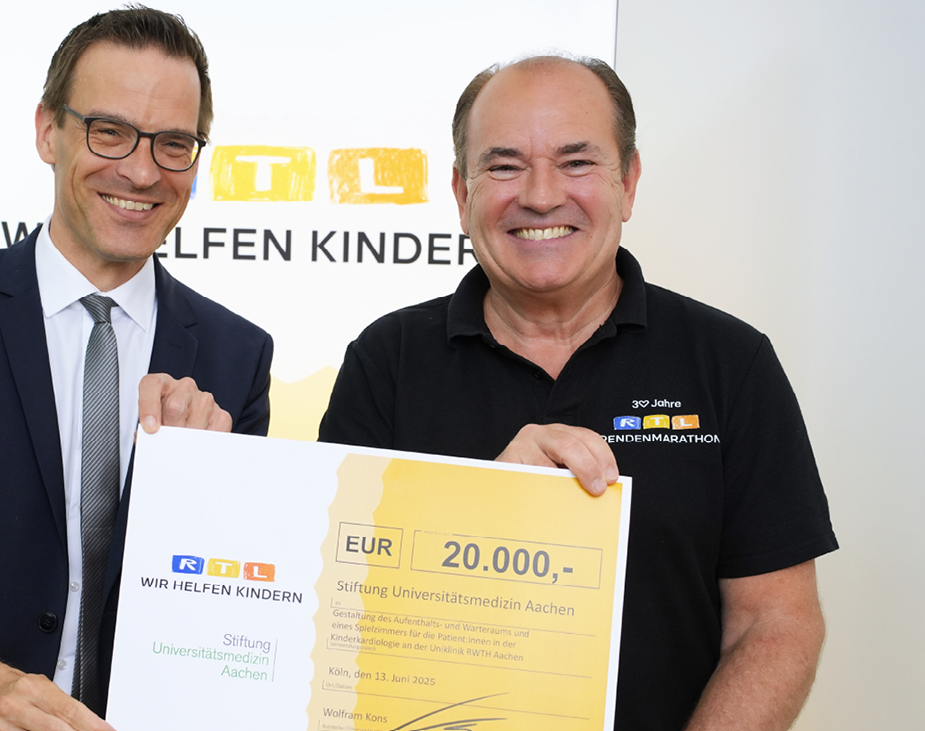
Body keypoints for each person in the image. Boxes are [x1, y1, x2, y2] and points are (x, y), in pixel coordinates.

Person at [318, 55, 836, 731]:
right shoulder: (385, 362)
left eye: (577, 162)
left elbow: (777, 623)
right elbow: (340, 611)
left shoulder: (732, 364)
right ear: (461, 192)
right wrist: (480, 505)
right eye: (505, 166)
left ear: (629, 182)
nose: (540, 196)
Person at [0, 8, 271, 731]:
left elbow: (229, 616)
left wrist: (200, 479)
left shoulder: (237, 357)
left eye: (173, 144)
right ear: (48, 131)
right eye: (110, 131)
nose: (141, 171)